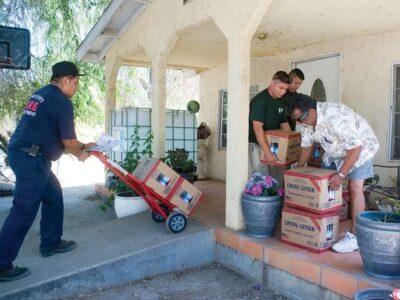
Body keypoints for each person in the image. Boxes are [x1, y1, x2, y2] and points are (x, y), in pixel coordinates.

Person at [0, 61, 95, 281]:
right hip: (32, 158)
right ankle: (2, 264)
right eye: (75, 82)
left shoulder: (40, 95)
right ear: (65, 80)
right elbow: (69, 142)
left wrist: (83, 146)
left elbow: (54, 133)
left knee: (53, 194)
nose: (76, 87)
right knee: (24, 210)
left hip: (27, 154)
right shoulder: (62, 102)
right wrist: (81, 152)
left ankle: (51, 243)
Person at [290, 95, 379, 253]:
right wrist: (300, 168)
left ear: (311, 111)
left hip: (361, 148)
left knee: (355, 188)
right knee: (324, 186)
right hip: (335, 152)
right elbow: (306, 145)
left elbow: (355, 148)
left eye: (300, 119)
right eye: (296, 120)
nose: (298, 123)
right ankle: (322, 229)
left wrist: (341, 175)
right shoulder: (305, 120)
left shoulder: (336, 117)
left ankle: (355, 238)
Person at [248, 71, 291, 184]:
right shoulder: (260, 100)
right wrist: (267, 152)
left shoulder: (281, 101)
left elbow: (284, 124)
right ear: (272, 83)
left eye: (285, 89)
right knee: (262, 178)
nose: (283, 92)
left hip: (275, 146)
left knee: (277, 180)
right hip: (258, 144)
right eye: (281, 88)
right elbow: (257, 128)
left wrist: (290, 146)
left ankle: (275, 201)